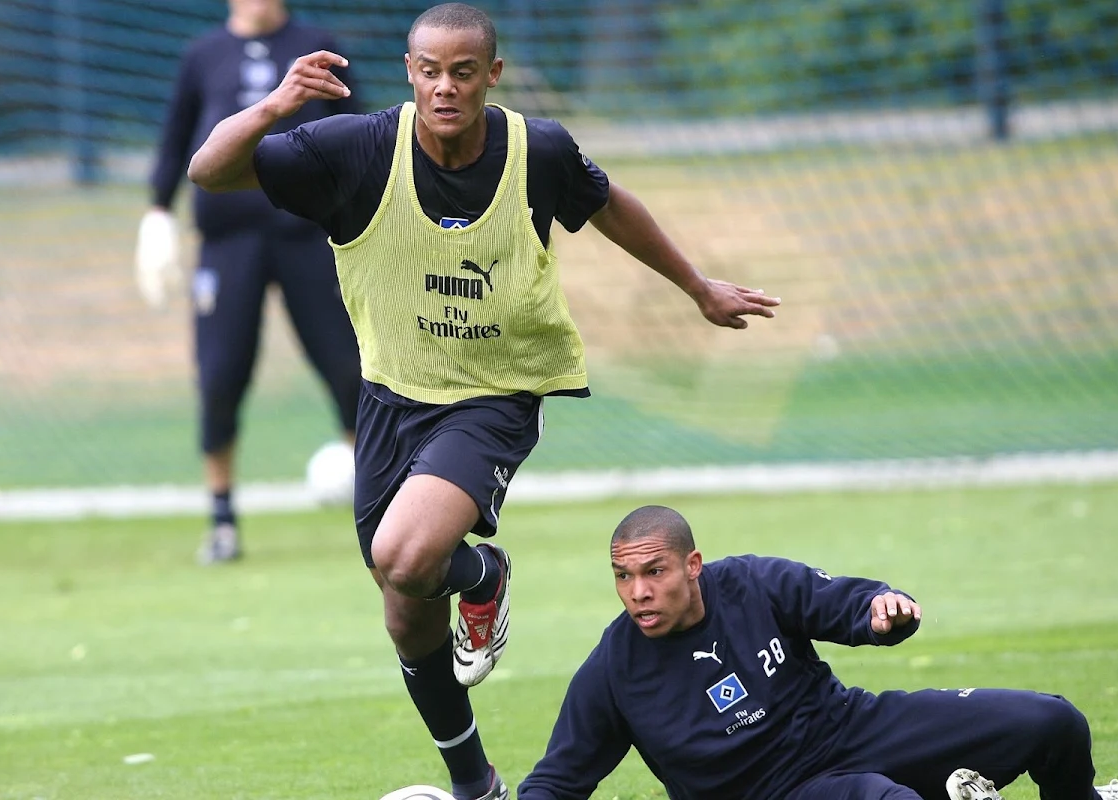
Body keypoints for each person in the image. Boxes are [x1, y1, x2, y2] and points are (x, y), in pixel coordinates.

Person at [187, 4, 781, 797]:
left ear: (491, 75)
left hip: (496, 395)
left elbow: (610, 206)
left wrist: (697, 287)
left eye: (463, 72)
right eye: (429, 71)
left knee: (405, 555)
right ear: (409, 71)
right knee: (404, 607)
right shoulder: (356, 148)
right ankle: (475, 784)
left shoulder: (538, 150)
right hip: (392, 398)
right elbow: (210, 171)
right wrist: (274, 107)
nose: (444, 87)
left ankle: (479, 573)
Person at [517, 504, 1118, 800]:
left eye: (654, 572)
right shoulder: (613, 669)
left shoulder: (752, 583)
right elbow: (557, 780)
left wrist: (883, 612)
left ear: (693, 565)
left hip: (853, 730)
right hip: (774, 795)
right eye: (623, 577)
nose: (638, 592)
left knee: (1054, 722)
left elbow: (847, 605)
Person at [136, 0, 363, 565]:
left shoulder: (319, 44)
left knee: (349, 369)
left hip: (308, 236)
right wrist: (158, 212)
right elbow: (176, 139)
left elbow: (361, 135)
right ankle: (221, 519)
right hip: (228, 242)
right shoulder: (202, 55)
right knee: (220, 376)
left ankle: (378, 508)